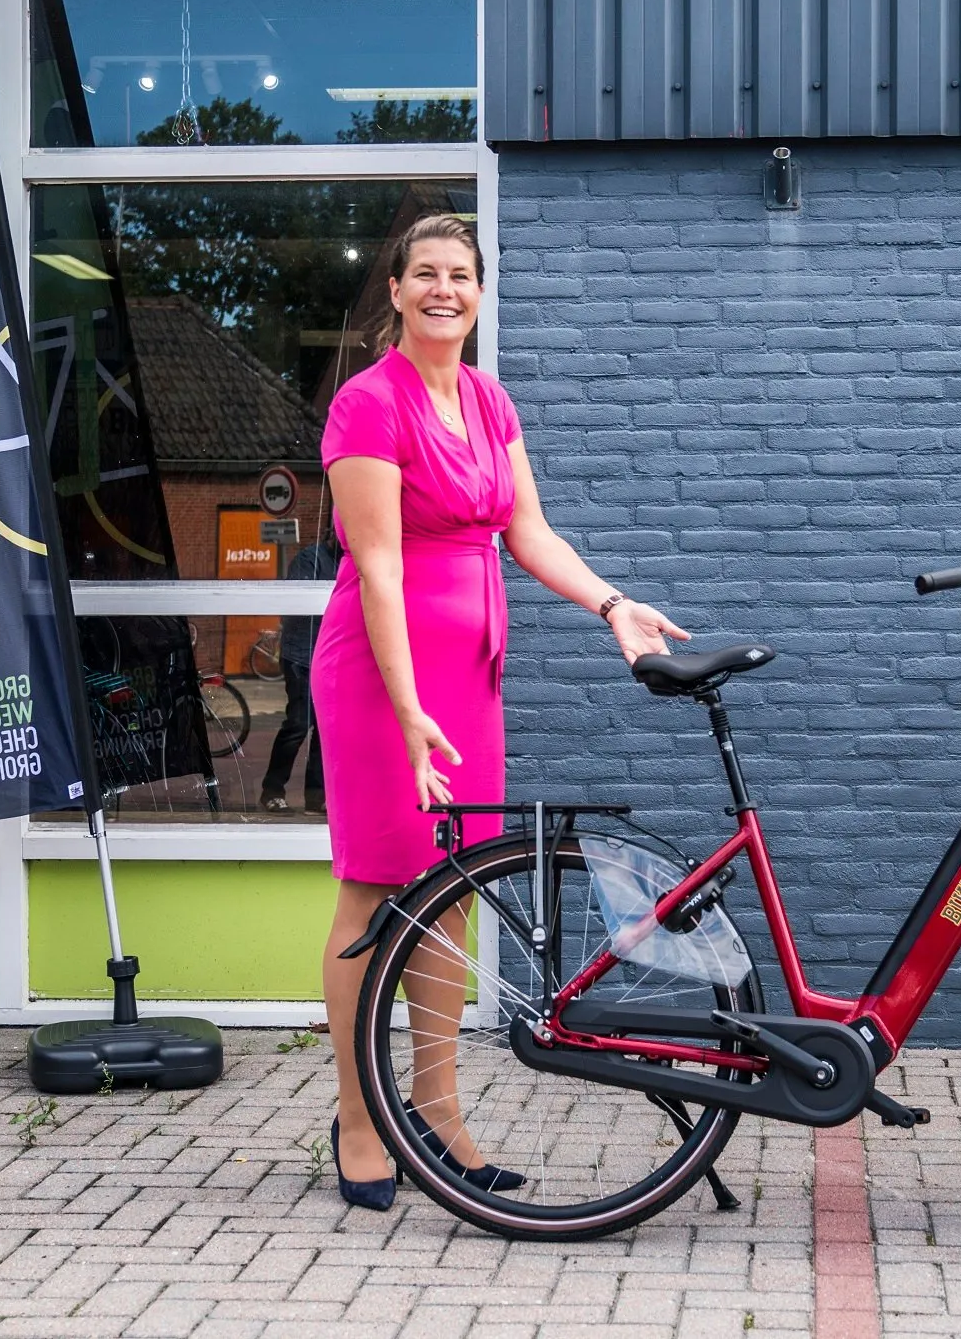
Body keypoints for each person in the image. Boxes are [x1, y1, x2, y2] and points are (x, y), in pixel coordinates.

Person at [317, 213, 688, 1210]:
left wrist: (610, 601)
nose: (445, 289)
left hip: (468, 676)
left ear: (479, 295)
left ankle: (433, 1113)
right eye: (426, 274)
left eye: (462, 276)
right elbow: (381, 568)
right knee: (374, 892)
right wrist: (405, 709)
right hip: (381, 677)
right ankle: (360, 1117)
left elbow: (528, 531)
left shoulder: (487, 399)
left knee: (451, 888)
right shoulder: (367, 406)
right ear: (393, 292)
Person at [259, 536, 336, 814]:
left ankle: (316, 797)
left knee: (324, 731)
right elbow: (298, 606)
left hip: (329, 657)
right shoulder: (309, 560)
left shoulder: (347, 561)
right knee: (298, 724)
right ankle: (272, 790)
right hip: (302, 656)